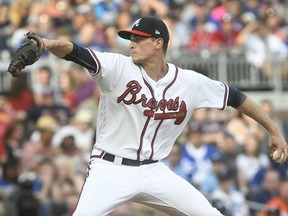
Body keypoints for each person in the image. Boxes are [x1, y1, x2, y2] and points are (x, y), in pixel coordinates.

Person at [28, 16, 287, 216]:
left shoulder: (189, 82)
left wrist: (273, 128)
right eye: (131, 38)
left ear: (158, 42)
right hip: (109, 169)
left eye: (138, 39)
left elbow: (236, 97)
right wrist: (46, 43)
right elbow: (76, 51)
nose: (132, 44)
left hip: (154, 170)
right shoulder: (118, 67)